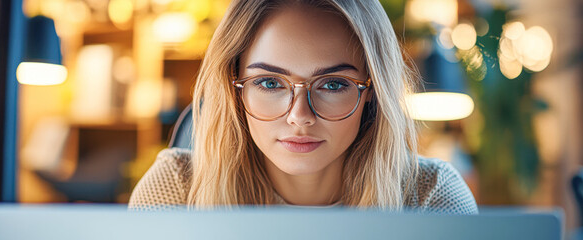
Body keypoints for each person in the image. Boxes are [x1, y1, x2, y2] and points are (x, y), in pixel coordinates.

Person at [128, 0, 478, 214]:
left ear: (372, 89)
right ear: (234, 88)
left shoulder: (431, 196)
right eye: (269, 83)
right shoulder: (176, 189)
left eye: (333, 84)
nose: (299, 117)